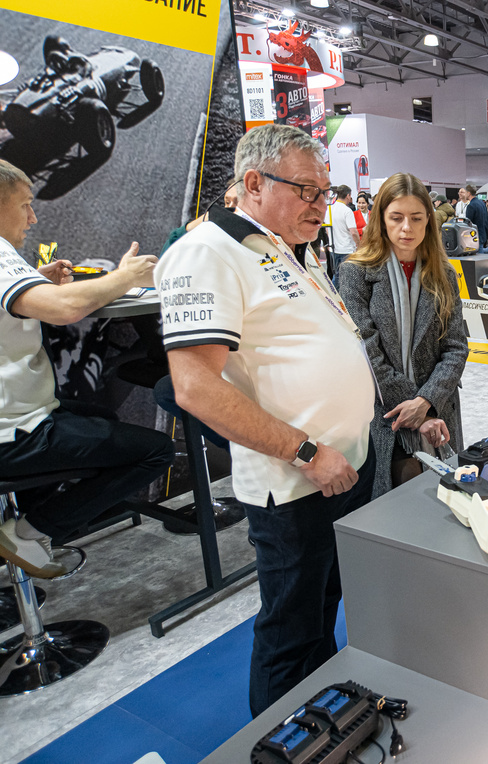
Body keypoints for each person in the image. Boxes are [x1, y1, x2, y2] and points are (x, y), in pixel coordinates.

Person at [155, 125, 376, 716]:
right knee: (291, 629)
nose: (320, 204)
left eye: (324, 190)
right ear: (253, 183)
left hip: (342, 467)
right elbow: (195, 387)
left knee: (323, 610)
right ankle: (280, 742)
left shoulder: (280, 245)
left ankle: (321, 725)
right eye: (306, 190)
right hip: (297, 480)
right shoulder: (208, 251)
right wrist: (307, 452)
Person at [0, 159, 173, 578]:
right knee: (157, 451)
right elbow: (66, 310)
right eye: (24, 205)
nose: (32, 217)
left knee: (102, 418)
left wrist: (33, 280)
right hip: (13, 433)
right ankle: (29, 532)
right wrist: (125, 277)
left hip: (22, 414)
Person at [339, 173, 466, 498]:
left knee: (447, 503)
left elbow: (456, 346)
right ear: (381, 219)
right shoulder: (355, 273)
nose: (406, 228)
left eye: (416, 218)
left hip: (439, 411)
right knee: (395, 506)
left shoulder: (443, 274)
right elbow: (366, 351)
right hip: (385, 414)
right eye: (396, 218)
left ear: (428, 221)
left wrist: (426, 402)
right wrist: (411, 407)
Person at [328, 185, 359, 288]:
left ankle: (334, 293)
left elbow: (328, 230)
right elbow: (353, 232)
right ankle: (337, 295)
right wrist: (359, 245)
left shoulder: (330, 209)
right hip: (346, 249)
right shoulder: (347, 211)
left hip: (333, 248)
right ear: (348, 195)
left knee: (337, 275)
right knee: (347, 277)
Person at [460, 184, 488, 252]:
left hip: (475, 237)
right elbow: (486, 220)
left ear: (468, 193)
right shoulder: (482, 203)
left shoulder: (471, 206)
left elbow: (468, 224)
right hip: (483, 235)